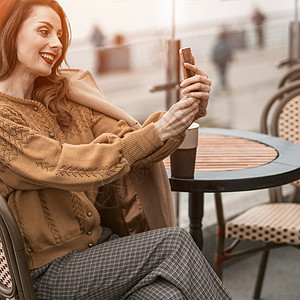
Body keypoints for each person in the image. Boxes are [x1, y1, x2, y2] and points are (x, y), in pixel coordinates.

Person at [0, 0, 232, 299]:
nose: (56, 43)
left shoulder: (65, 99)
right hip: (49, 274)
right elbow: (62, 165)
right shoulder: (3, 118)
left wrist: (181, 115)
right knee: (174, 243)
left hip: (100, 250)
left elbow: (131, 144)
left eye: (59, 35)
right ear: (10, 33)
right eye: (43, 31)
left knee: (166, 295)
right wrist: (162, 128)